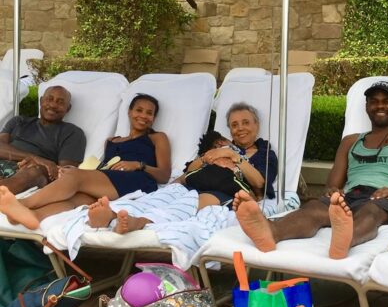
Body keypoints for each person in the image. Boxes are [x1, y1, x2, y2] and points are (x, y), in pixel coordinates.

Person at [234, 80, 388, 259]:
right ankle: (271, 231)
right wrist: (332, 191)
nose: (380, 105)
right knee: (313, 208)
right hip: (351, 196)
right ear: (367, 107)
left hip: (386, 199)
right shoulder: (351, 141)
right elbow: (332, 185)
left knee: (371, 212)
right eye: (374, 101)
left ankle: (344, 241)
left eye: (387, 101)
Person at [85, 102, 278, 234]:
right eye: (234, 125)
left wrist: (232, 156)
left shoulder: (264, 152)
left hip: (220, 191)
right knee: (160, 198)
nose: (240, 128)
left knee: (186, 205)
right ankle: (111, 215)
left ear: (256, 125)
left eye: (246, 122)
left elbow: (260, 182)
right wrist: (211, 156)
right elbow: (189, 171)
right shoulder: (219, 145)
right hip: (190, 182)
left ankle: (137, 223)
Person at [0, 93, 170, 230]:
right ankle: (34, 216)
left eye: (150, 113)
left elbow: (164, 175)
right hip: (110, 180)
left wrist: (139, 165)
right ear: (129, 112)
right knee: (76, 199)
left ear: (154, 118)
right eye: (139, 110)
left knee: (75, 177)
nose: (144, 116)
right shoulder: (111, 140)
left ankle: (22, 205)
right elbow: (104, 168)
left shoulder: (157, 138)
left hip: (137, 180)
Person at [0, 85, 86, 194]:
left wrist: (38, 163)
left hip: (31, 172)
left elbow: (64, 172)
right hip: (5, 162)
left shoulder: (72, 133)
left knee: (34, 173)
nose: (53, 105)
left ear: (68, 108)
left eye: (60, 102)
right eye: (49, 99)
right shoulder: (19, 121)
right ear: (41, 101)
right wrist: (34, 157)